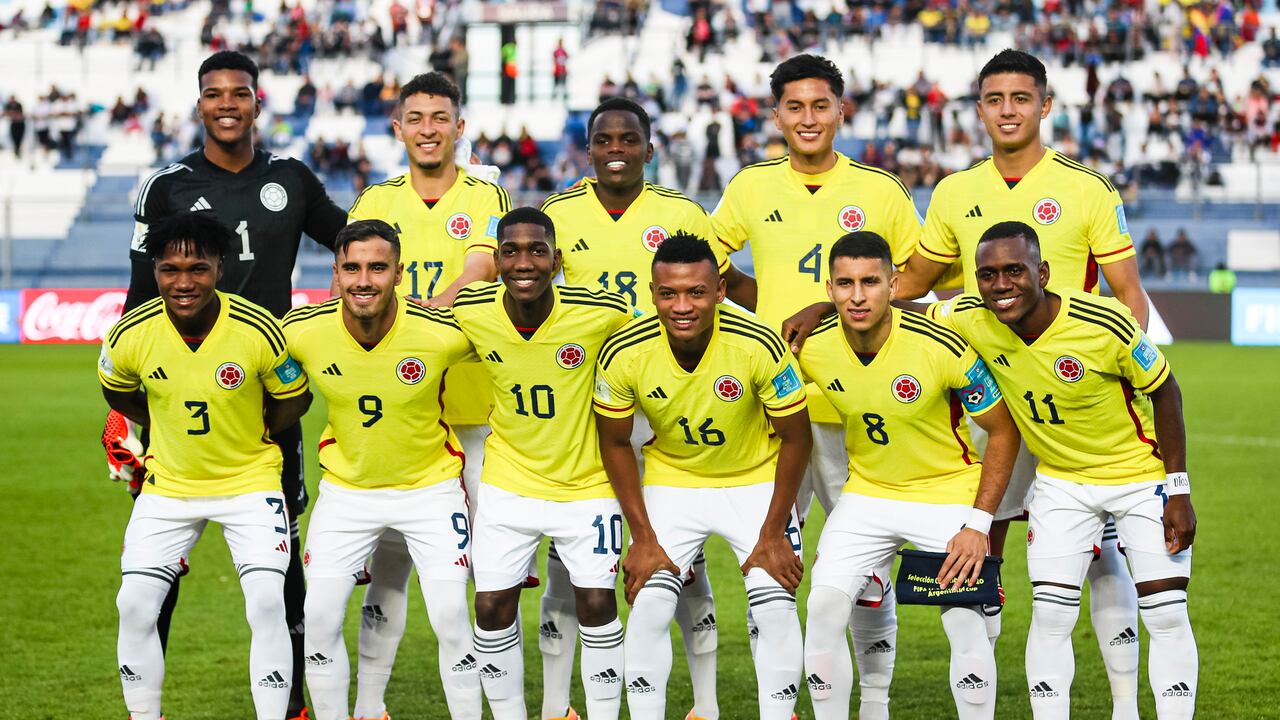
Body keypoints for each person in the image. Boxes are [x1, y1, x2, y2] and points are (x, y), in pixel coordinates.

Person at [784, 51, 1150, 712]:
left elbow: (1129, 294)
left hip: (1068, 401)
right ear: (979, 109)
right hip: (990, 395)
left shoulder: (1088, 188)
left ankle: (1125, 703)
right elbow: (909, 283)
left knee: (1099, 553)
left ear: (1045, 105)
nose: (1008, 110)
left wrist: (1120, 375)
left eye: (1020, 97)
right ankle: (991, 691)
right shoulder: (954, 192)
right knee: (985, 551)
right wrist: (828, 306)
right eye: (994, 99)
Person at [109, 49, 348, 720]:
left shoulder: (290, 178)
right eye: (213, 93)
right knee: (156, 571)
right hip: (178, 395)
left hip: (266, 391)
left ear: (256, 102)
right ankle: (147, 702)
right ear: (199, 104)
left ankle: (291, 700)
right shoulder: (166, 186)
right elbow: (138, 293)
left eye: (238, 92)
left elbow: (351, 240)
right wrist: (130, 413)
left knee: (281, 560)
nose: (226, 104)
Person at [712, 53, 922, 709]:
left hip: (856, 406)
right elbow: (709, 269)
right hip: (773, 405)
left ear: (841, 111)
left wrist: (825, 308)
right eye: (794, 107)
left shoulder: (880, 191)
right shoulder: (751, 187)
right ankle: (781, 703)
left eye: (820, 105)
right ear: (776, 116)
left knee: (867, 571)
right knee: (768, 562)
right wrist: (766, 306)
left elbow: (913, 283)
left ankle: (874, 703)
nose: (808, 118)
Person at [928, 221, 1197, 719]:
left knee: (1165, 612)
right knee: (1051, 614)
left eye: (1014, 270)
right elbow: (902, 310)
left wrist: (1177, 488)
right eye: (987, 275)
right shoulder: (970, 316)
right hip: (1060, 483)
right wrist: (821, 308)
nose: (1001, 285)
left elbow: (1166, 390)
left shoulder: (1105, 322)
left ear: (1043, 272)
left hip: (1138, 479)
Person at [539, 96, 730, 719]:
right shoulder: (558, 213)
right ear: (588, 149)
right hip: (582, 406)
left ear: (650, 149)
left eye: (628, 139)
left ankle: (703, 704)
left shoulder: (682, 213)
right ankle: (557, 705)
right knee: (569, 559)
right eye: (604, 140)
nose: (615, 150)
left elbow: (720, 290)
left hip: (670, 401)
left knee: (683, 559)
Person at [796, 232, 1019, 720]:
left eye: (871, 282)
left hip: (947, 495)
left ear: (894, 285)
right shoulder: (810, 345)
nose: (858, 296)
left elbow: (1003, 431)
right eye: (845, 284)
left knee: (965, 620)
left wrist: (978, 525)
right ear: (829, 289)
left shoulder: (941, 346)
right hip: (866, 495)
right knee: (823, 609)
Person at [100, 211, 312, 720]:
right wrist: (163, 423)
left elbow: (295, 398)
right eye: (169, 269)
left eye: (197, 268)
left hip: (250, 482)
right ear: (154, 270)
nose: (183, 282)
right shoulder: (129, 333)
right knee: (133, 604)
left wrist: (256, 426)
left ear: (220, 267)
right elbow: (118, 391)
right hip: (169, 486)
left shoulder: (258, 328)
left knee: (268, 602)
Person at [344, 70, 509, 720]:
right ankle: (368, 705)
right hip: (399, 416)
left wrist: (426, 313)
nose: (429, 129)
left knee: (485, 570)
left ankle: (492, 702)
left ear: (459, 126)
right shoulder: (374, 200)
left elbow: (482, 266)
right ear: (398, 128)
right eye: (416, 117)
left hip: (475, 411)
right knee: (390, 566)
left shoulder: (486, 192)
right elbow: (349, 290)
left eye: (440, 117)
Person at [593, 232, 811, 720]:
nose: (681, 306)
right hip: (673, 481)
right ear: (652, 293)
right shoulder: (624, 350)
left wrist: (773, 532)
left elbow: (797, 438)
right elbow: (614, 443)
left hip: (754, 481)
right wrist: (642, 537)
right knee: (647, 606)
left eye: (696, 292)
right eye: (668, 293)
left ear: (720, 291)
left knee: (775, 605)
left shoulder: (759, 343)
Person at [283, 220, 481, 720]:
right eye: (351, 268)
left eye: (377, 267)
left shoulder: (441, 332)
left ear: (399, 272)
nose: (364, 280)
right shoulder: (301, 331)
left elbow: (520, 348)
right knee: (319, 617)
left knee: (452, 617)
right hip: (347, 492)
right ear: (336, 272)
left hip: (431, 489)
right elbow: (241, 367)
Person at [452, 207, 632, 720]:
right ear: (497, 260)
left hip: (586, 485)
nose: (524, 262)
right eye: (510, 251)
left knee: (596, 604)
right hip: (509, 483)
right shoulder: (473, 310)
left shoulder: (600, 310)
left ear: (557, 260)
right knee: (490, 607)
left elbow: (660, 333)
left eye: (537, 250)